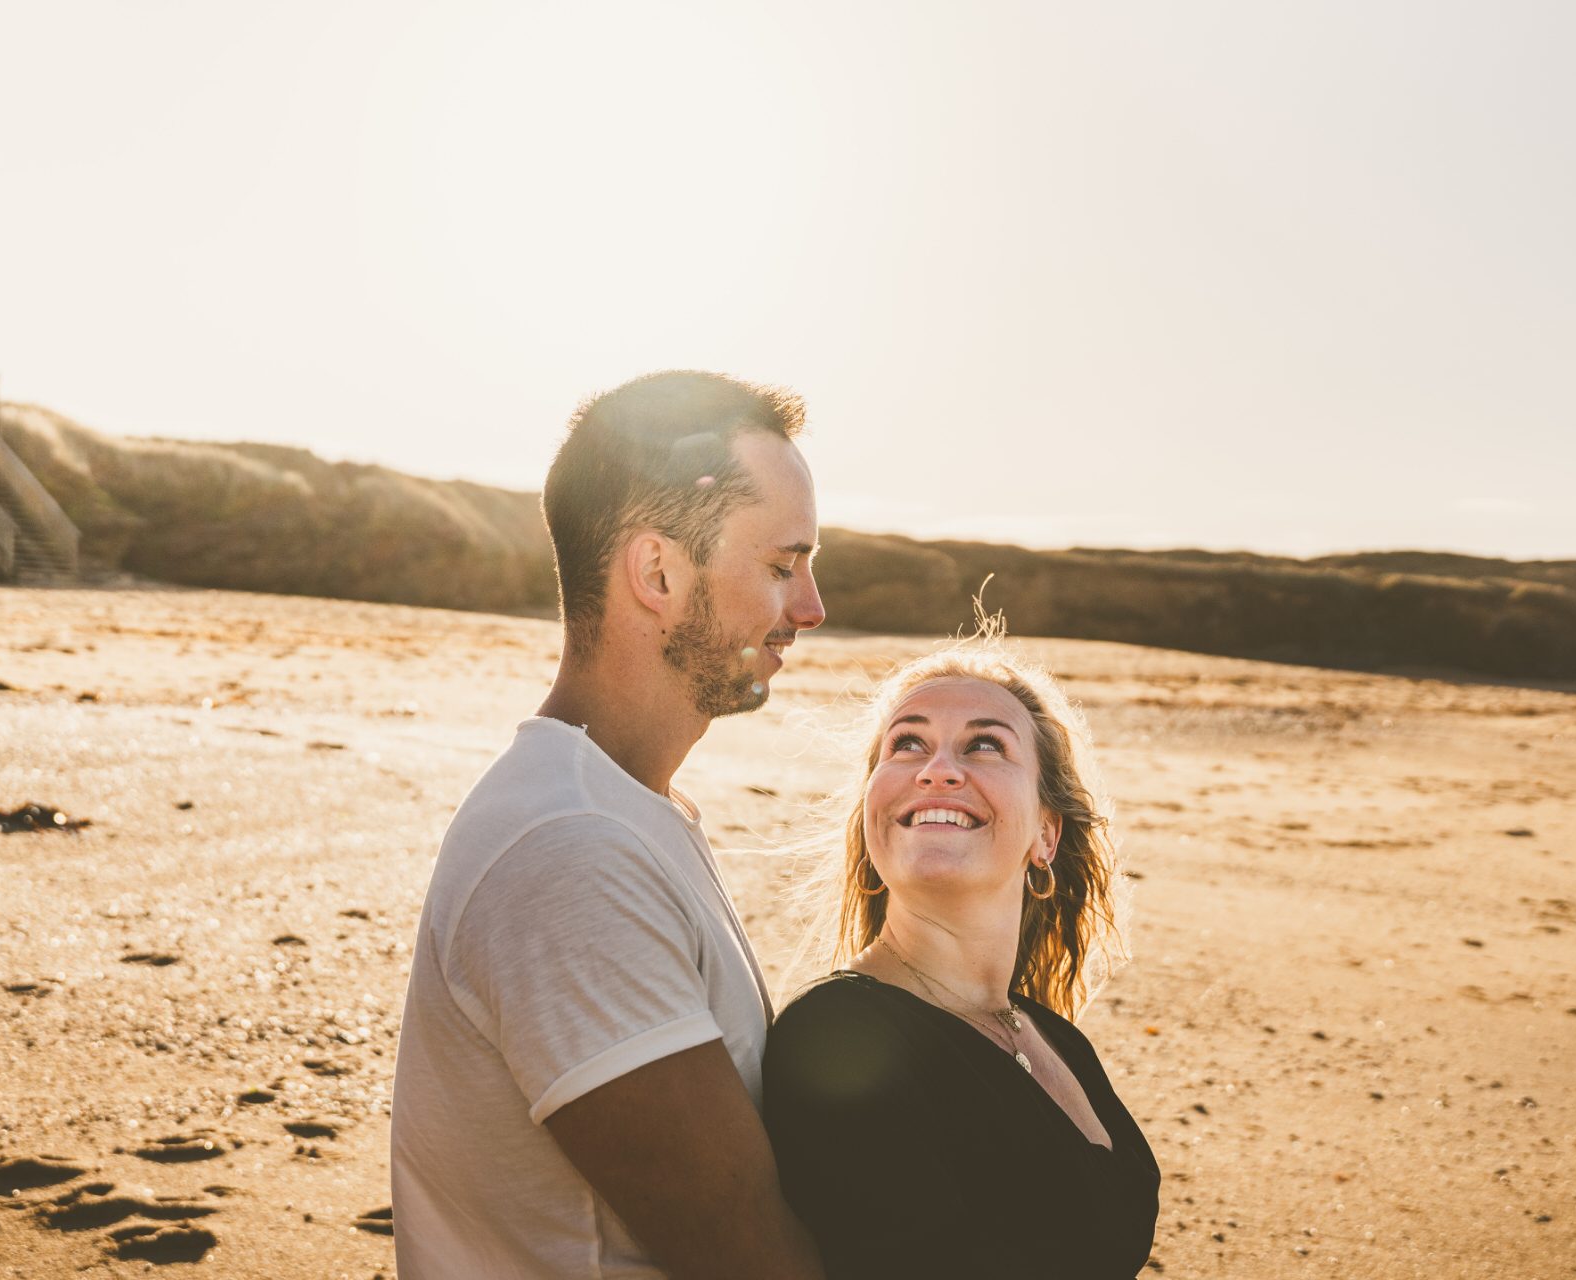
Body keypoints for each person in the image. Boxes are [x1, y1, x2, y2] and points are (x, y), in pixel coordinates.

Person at [392, 370, 829, 1279]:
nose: (812, 609)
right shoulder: (570, 851)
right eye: (784, 567)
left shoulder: (630, 807)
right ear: (658, 573)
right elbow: (743, 1256)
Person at [763, 641, 1160, 1278]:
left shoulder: (1053, 1036)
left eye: (984, 745)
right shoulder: (838, 1037)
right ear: (872, 812)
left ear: (1045, 834)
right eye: (907, 744)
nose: (937, 770)